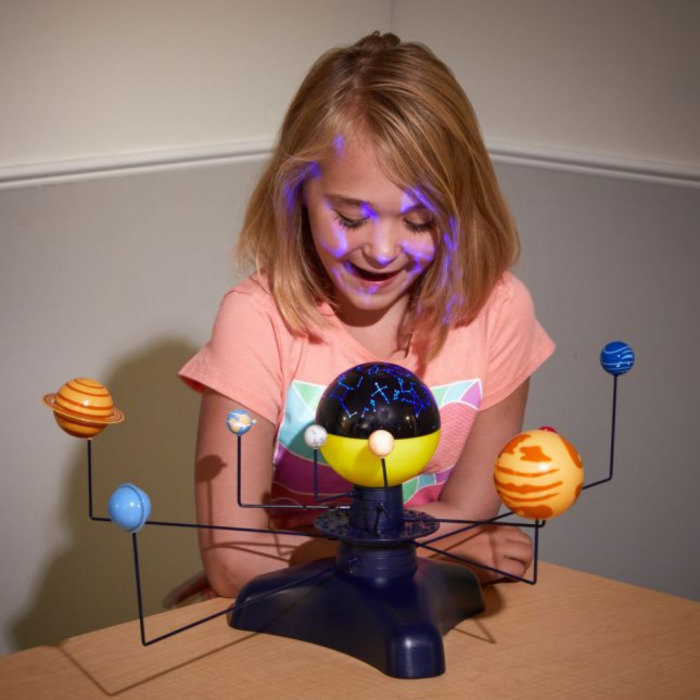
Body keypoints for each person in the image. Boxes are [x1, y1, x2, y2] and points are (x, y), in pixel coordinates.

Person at [176, 31, 555, 603]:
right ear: (297, 193)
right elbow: (232, 558)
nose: (381, 251)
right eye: (352, 219)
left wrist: (320, 551)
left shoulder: (499, 310)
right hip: (290, 612)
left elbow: (472, 511)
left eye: (421, 221)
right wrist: (440, 548)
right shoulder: (256, 320)